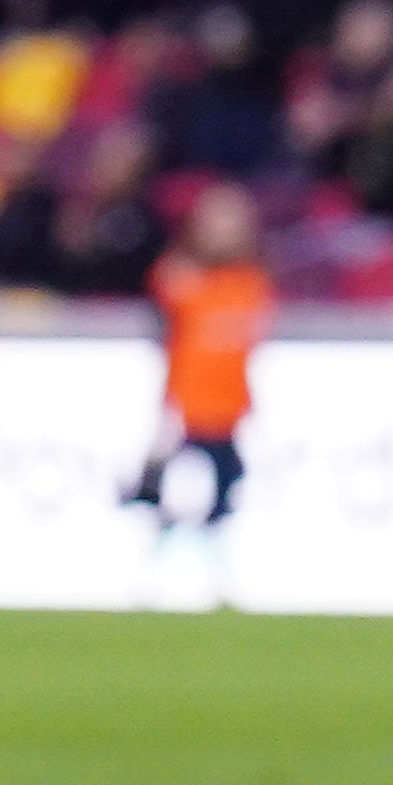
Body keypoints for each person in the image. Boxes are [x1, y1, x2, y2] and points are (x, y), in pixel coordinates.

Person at [127, 181, 272, 531]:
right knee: (162, 502)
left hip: (229, 414)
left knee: (223, 504)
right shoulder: (180, 278)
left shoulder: (252, 284)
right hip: (184, 412)